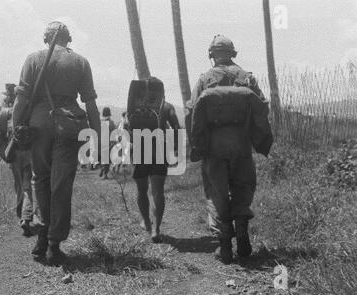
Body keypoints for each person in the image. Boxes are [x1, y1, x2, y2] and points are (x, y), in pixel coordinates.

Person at [12, 21, 101, 266]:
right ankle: (53, 244)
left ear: (46, 38)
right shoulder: (80, 62)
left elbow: (20, 101)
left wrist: (14, 129)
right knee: (61, 185)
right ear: (68, 38)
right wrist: (98, 139)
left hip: (38, 125)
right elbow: (90, 105)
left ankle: (42, 234)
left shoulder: (33, 59)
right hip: (70, 125)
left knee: (39, 179)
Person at [189, 35, 272, 264]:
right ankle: (243, 232)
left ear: (212, 54)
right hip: (241, 142)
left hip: (215, 146)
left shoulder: (205, 80)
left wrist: (198, 144)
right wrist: (258, 138)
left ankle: (224, 245)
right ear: (233, 53)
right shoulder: (247, 78)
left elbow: (191, 112)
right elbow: (262, 108)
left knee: (216, 191)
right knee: (243, 186)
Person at [128, 77, 180, 243]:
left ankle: (147, 222)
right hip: (159, 149)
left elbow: (129, 128)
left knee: (142, 189)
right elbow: (177, 128)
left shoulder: (135, 106)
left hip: (139, 148)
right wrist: (175, 149)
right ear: (161, 92)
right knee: (158, 191)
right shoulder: (166, 107)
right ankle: (156, 229)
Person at [0, 83, 34, 237]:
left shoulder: (5, 113)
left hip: (14, 155)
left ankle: (24, 217)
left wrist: (2, 149)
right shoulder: (32, 111)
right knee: (27, 186)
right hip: (30, 154)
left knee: (20, 186)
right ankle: (25, 217)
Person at [99, 107, 116, 179]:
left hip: (102, 142)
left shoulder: (101, 122)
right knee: (108, 159)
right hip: (109, 142)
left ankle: (103, 170)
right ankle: (105, 174)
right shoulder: (111, 122)